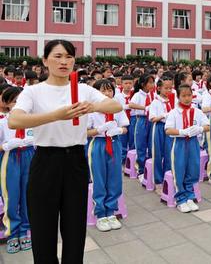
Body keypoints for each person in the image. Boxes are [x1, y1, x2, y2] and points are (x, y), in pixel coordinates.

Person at [9, 39, 122, 263]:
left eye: (69, 57)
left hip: (75, 161)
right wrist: (56, 116)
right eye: (58, 56)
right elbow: (15, 120)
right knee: (43, 227)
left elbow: (115, 106)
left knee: (74, 227)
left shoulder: (82, 89)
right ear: (44, 60)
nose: (64, 62)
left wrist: (93, 106)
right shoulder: (33, 92)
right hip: (45, 161)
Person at [87, 79, 129, 232]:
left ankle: (111, 210)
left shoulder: (117, 108)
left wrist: (118, 130)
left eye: (109, 90)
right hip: (98, 144)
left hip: (115, 142)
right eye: (102, 91)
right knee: (99, 178)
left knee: (114, 178)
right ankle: (100, 213)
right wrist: (99, 130)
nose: (106, 94)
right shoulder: (91, 111)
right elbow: (85, 132)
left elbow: (125, 127)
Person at [165, 84, 210, 213]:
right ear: (178, 97)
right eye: (183, 96)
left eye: (189, 95)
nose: (187, 98)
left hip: (193, 143)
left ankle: (190, 196)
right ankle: (181, 198)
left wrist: (200, 129)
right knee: (179, 170)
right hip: (179, 143)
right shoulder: (174, 112)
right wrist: (182, 131)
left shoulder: (197, 111)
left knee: (193, 169)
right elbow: (168, 130)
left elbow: (207, 125)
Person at [1, 86, 34, 254]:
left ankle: (25, 230)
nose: (18, 105)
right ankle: (13, 232)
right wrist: (6, 145)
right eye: (14, 102)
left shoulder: (32, 119)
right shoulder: (2, 121)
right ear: (7, 104)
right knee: (11, 196)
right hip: (11, 157)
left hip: (30, 156)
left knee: (28, 195)